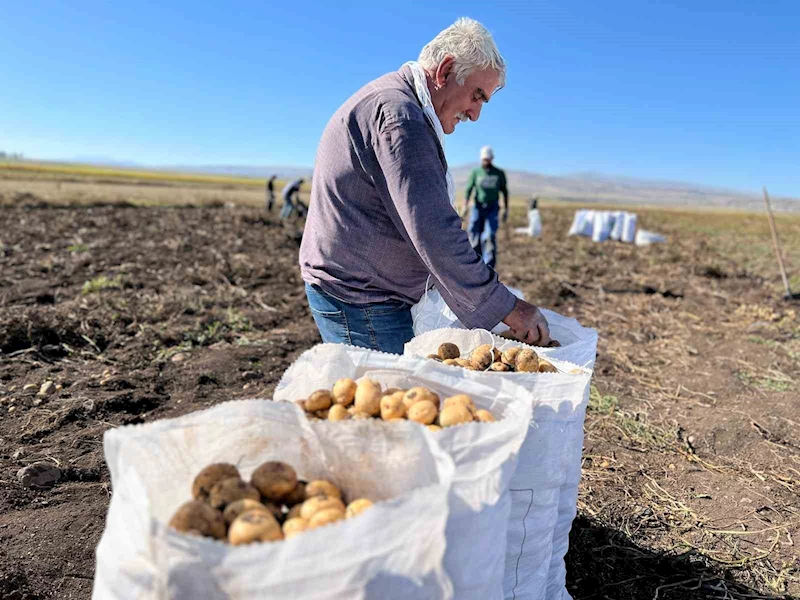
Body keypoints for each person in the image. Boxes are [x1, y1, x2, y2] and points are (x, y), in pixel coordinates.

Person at [299, 18, 550, 354]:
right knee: (389, 399)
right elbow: (434, 231)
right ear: (445, 71)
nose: (475, 114)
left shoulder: (400, 105)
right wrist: (508, 307)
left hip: (367, 292)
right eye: (477, 96)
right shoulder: (399, 117)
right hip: (361, 300)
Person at [463, 146, 508, 269]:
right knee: (474, 233)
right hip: (477, 206)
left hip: (492, 207)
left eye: (487, 160)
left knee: (489, 235)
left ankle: (489, 267)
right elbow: (469, 189)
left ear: (491, 159)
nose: (485, 162)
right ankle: (476, 264)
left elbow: (504, 191)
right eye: (484, 160)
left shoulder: (498, 173)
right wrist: (465, 206)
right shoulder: (476, 172)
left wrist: (505, 208)